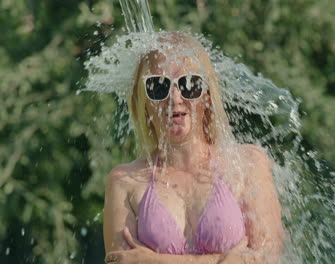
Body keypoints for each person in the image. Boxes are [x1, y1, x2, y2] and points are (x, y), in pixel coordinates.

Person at [103, 32, 283, 264]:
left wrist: (153, 261)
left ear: (207, 95)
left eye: (189, 85)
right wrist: (224, 260)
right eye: (158, 86)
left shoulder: (247, 165)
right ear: (144, 100)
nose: (174, 98)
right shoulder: (123, 181)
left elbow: (268, 259)